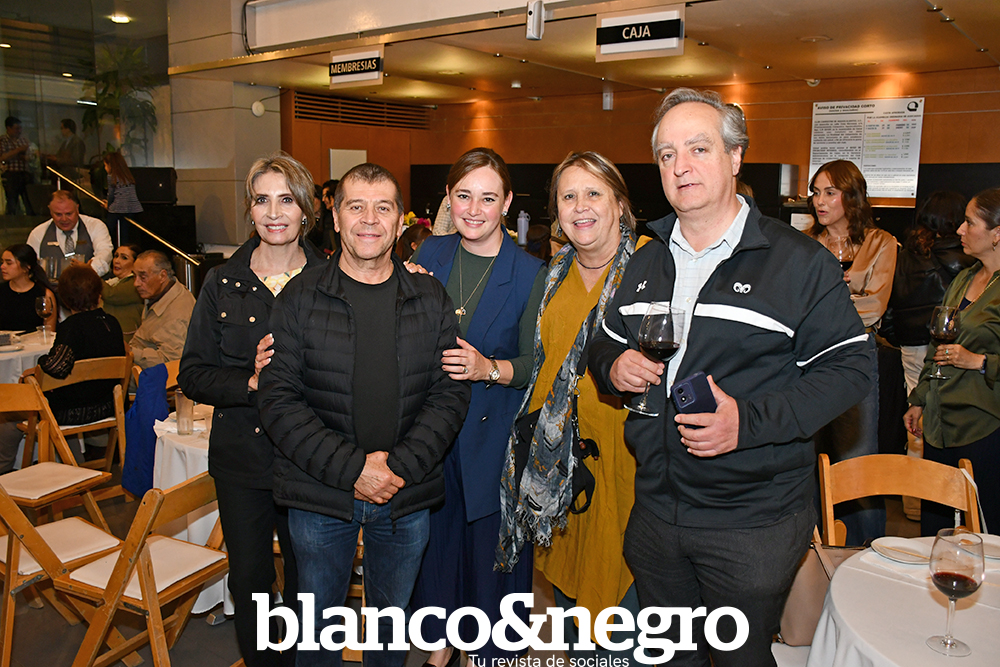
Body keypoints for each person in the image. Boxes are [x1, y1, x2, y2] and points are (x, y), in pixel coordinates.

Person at [586, 88, 870, 666]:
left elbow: (850, 370)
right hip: (656, 512)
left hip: (752, 522)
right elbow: (604, 342)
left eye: (698, 148)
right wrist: (613, 366)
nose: (680, 166)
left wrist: (747, 421)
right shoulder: (646, 258)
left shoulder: (798, 262)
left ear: (735, 157)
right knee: (670, 656)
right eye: (667, 155)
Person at [257, 163, 470, 667]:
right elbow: (279, 400)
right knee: (317, 632)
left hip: (405, 492)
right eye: (356, 206)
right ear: (335, 218)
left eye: (383, 208)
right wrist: (355, 470)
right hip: (320, 494)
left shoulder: (431, 297)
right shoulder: (299, 298)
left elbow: (449, 395)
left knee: (390, 630)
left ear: (400, 222)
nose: (369, 219)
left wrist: (396, 469)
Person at [496, 151, 647, 661]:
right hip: (560, 470)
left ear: (620, 205)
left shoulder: (652, 266)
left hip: (627, 464)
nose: (580, 206)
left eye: (593, 193)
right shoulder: (554, 272)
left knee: (622, 616)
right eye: (568, 196)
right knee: (568, 601)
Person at [179, 153, 324, 667]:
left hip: (313, 459)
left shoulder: (332, 278)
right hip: (242, 456)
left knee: (313, 581)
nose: (274, 212)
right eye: (262, 199)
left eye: (287, 199)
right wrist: (250, 381)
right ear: (250, 208)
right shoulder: (221, 281)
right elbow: (193, 374)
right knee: (250, 580)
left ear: (305, 209)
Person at [408, 147, 545, 666]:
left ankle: (489, 653)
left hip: (493, 439)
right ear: (448, 198)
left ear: (507, 203)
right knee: (437, 549)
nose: (474, 209)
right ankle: (441, 646)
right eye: (463, 196)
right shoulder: (429, 255)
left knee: (491, 561)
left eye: (488, 198)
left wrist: (488, 367)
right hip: (430, 435)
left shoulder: (530, 272)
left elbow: (536, 365)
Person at [807, 159, 897, 546]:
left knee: (857, 458)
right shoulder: (805, 243)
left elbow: (874, 308)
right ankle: (812, 548)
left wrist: (824, 302)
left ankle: (867, 551)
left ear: (852, 196)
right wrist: (843, 297)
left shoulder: (880, 242)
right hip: (808, 357)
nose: (819, 201)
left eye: (829, 192)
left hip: (855, 356)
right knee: (809, 457)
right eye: (815, 192)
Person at [904, 187, 1000, 536]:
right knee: (936, 528)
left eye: (970, 222)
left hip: (983, 424)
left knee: (984, 529)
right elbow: (938, 342)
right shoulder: (965, 277)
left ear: (997, 234)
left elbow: (971, 355)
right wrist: (919, 398)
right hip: (940, 423)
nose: (960, 229)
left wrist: (980, 362)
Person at [886, 191, 974, 520]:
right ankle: (956, 504)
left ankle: (915, 503)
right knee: (948, 420)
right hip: (954, 347)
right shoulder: (967, 259)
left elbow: (892, 303)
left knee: (916, 420)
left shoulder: (907, 251)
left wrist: (898, 336)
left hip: (912, 345)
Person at [37, 263, 125, 425]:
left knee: (27, 392)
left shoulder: (72, 327)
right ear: (98, 294)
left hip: (73, 411)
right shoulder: (112, 322)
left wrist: (39, 362)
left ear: (65, 299)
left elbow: (57, 367)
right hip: (110, 405)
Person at [130, 249, 196, 369]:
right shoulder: (160, 293)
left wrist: (130, 352)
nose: (136, 283)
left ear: (162, 276)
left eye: (143, 277)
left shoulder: (177, 313)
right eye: (134, 276)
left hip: (157, 376)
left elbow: (172, 363)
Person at [27, 190, 114, 279]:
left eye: (69, 214)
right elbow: (29, 264)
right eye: (58, 214)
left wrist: (90, 269)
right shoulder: (38, 233)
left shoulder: (95, 226)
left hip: (90, 284)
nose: (64, 219)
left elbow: (105, 253)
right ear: (50, 211)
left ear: (77, 208)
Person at [0, 244, 57, 332]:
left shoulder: (44, 294)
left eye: (9, 263)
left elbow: (49, 331)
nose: (2, 266)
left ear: (26, 267)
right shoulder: (2, 291)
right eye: (2, 262)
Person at [102, 243, 145, 341]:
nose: (117, 261)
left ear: (135, 263)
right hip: (111, 335)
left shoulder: (135, 283)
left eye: (124, 258)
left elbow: (110, 295)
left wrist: (91, 273)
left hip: (128, 339)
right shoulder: (112, 282)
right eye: (116, 256)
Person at [103, 150, 144, 245]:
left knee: (106, 230)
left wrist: (108, 206)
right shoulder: (127, 176)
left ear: (110, 165)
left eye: (105, 165)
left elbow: (111, 194)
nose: (105, 168)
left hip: (117, 207)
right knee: (125, 233)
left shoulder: (111, 177)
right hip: (132, 208)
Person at [1, 116, 34, 215]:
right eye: (16, 128)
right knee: (12, 201)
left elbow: (31, 156)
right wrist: (18, 150)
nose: (19, 131)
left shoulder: (23, 140)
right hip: (11, 174)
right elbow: (3, 157)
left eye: (20, 128)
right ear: (9, 128)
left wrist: (25, 156)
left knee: (29, 200)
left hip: (24, 173)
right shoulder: (3, 141)